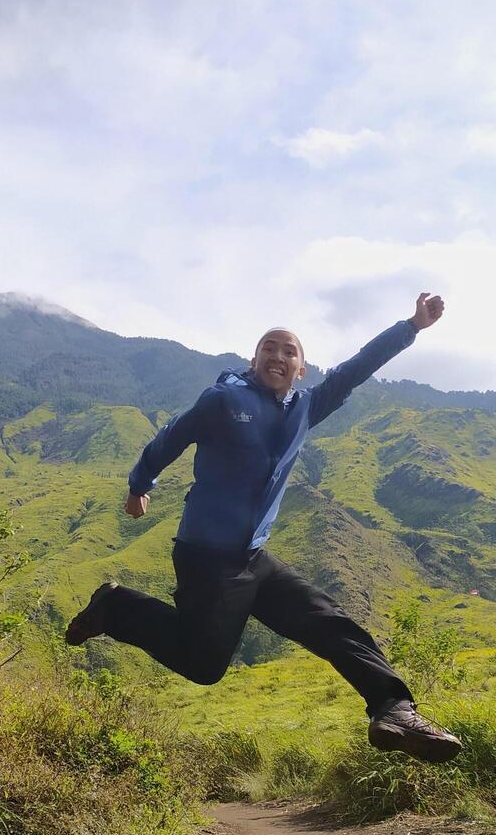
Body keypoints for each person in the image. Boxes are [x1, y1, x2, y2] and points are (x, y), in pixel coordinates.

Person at [66, 292, 463, 764]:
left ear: (302, 369)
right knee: (204, 666)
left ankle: (394, 709)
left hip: (253, 556)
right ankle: (115, 606)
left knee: (332, 624)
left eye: (288, 350)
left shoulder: (307, 407)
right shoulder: (223, 399)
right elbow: (171, 435)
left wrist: (412, 326)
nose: (278, 355)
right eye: (268, 348)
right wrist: (139, 486)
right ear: (253, 360)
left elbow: (358, 367)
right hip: (207, 559)